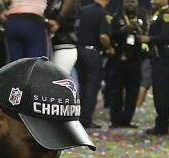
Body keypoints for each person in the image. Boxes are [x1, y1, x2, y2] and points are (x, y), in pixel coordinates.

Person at [107, 0, 145, 128]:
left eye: (133, 1)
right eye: (128, 1)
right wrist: (124, 29)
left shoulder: (142, 18)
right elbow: (110, 35)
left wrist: (139, 30)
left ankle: (127, 119)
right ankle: (115, 119)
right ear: (123, 3)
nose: (130, 4)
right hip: (119, 58)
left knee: (133, 91)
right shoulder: (116, 18)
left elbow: (146, 36)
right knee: (116, 89)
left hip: (136, 59)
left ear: (137, 3)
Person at [75, 0, 112, 128]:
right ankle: (86, 119)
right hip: (93, 52)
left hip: (78, 50)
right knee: (92, 86)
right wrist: (109, 48)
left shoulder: (83, 10)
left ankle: (77, 116)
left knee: (81, 84)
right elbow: (103, 37)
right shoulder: (102, 14)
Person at [144, 0, 169, 136]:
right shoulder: (157, 14)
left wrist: (149, 39)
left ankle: (162, 126)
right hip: (157, 57)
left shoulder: (167, 15)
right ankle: (160, 123)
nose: (152, 1)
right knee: (158, 91)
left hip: (163, 57)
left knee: (162, 91)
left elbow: (167, 36)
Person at [46, 0, 79, 74]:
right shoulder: (51, 3)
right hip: (51, 45)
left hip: (64, 46)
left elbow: (55, 26)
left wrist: (46, 21)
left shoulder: (69, 6)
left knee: (58, 79)